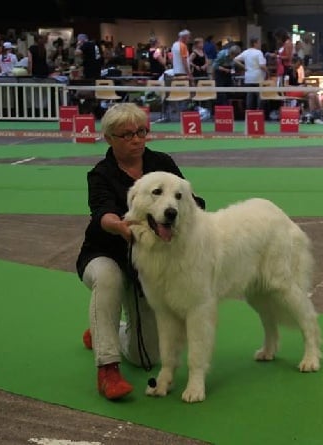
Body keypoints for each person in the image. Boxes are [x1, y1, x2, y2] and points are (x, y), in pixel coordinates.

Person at [76, 102, 205, 400]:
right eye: (126, 135)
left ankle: (103, 330)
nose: (136, 139)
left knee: (146, 358)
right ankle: (107, 369)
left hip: (148, 264)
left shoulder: (162, 163)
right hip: (104, 252)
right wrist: (124, 227)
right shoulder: (100, 174)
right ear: (108, 138)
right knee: (109, 279)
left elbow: (190, 201)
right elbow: (103, 214)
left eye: (141, 132)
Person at [233, 35, 268, 111]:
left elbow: (235, 60)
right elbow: (262, 66)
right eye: (258, 42)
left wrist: (244, 66)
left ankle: (248, 113)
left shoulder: (246, 52)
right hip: (258, 78)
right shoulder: (259, 52)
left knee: (250, 96)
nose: (259, 44)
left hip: (248, 77)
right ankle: (259, 112)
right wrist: (268, 71)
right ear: (255, 43)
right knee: (260, 96)